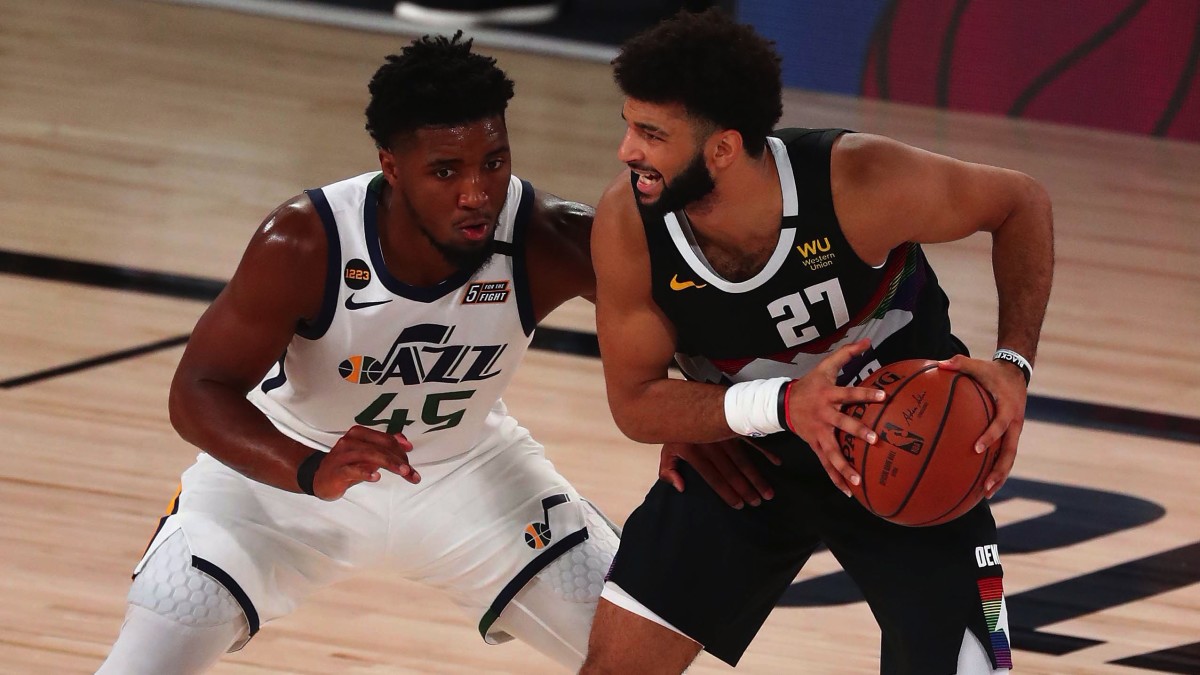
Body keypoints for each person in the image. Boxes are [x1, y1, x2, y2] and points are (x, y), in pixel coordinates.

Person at [95, 32, 629, 673]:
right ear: (391, 165)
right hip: (290, 471)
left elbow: (687, 334)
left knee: (640, 657)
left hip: (468, 472)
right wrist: (308, 468)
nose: (477, 193)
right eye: (445, 171)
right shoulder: (304, 239)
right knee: (152, 647)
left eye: (493, 161)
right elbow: (198, 391)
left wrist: (698, 422)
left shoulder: (549, 236)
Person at [582, 9, 1053, 675]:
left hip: (908, 442)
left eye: (651, 134)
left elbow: (1020, 202)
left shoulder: (858, 183)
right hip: (748, 462)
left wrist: (1012, 362)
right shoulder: (631, 223)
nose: (628, 151)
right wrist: (766, 407)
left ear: (721, 149)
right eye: (629, 125)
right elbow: (634, 403)